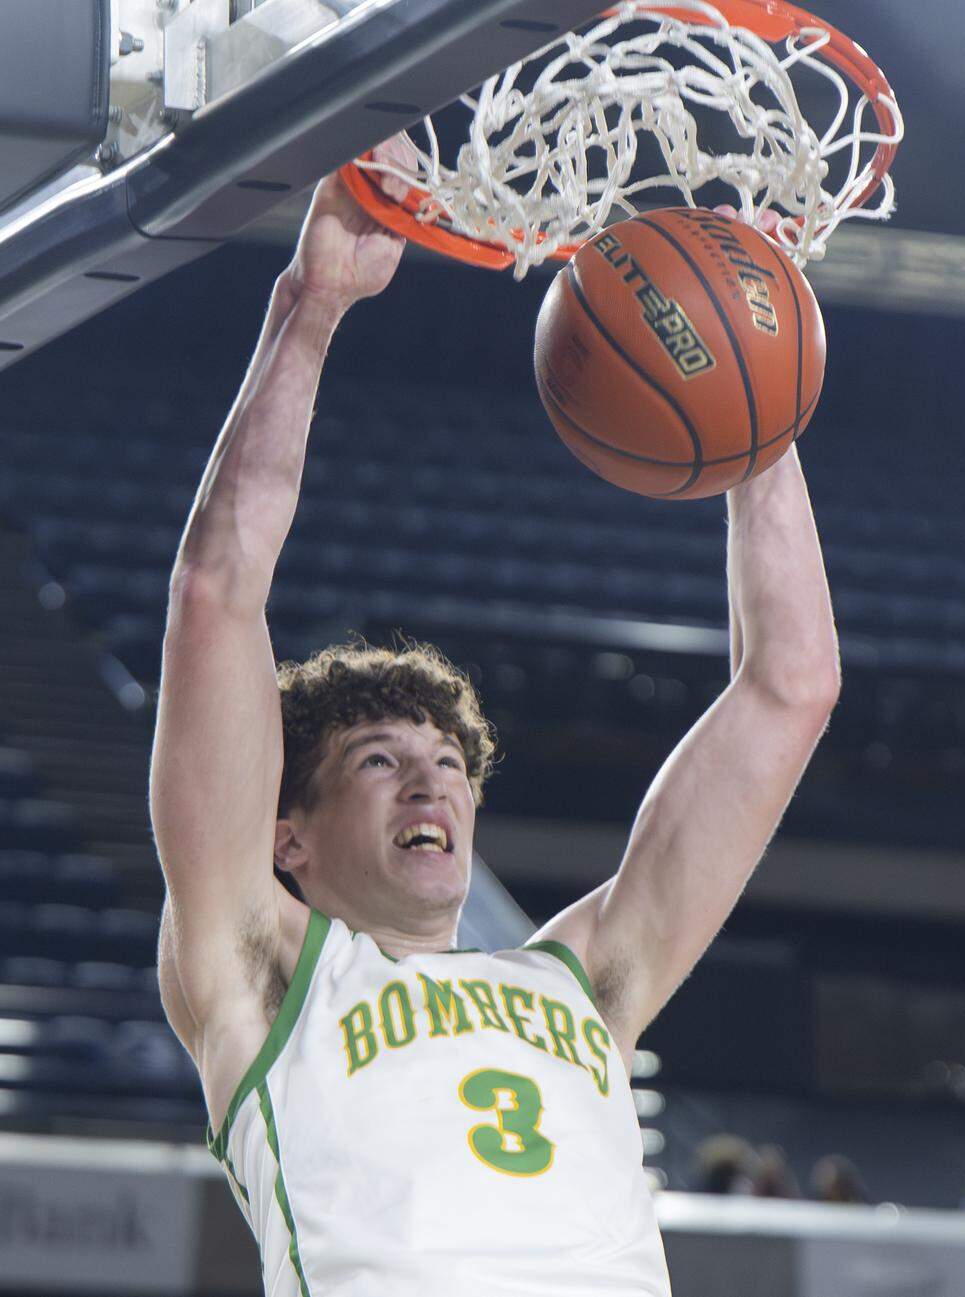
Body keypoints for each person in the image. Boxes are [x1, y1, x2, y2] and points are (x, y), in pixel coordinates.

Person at [149, 136, 841, 1297]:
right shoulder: (264, 971)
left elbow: (793, 688)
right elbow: (219, 596)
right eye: (380, 760)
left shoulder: (588, 979)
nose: (433, 784)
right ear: (288, 840)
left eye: (448, 761)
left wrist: (755, 422)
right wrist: (310, 308)